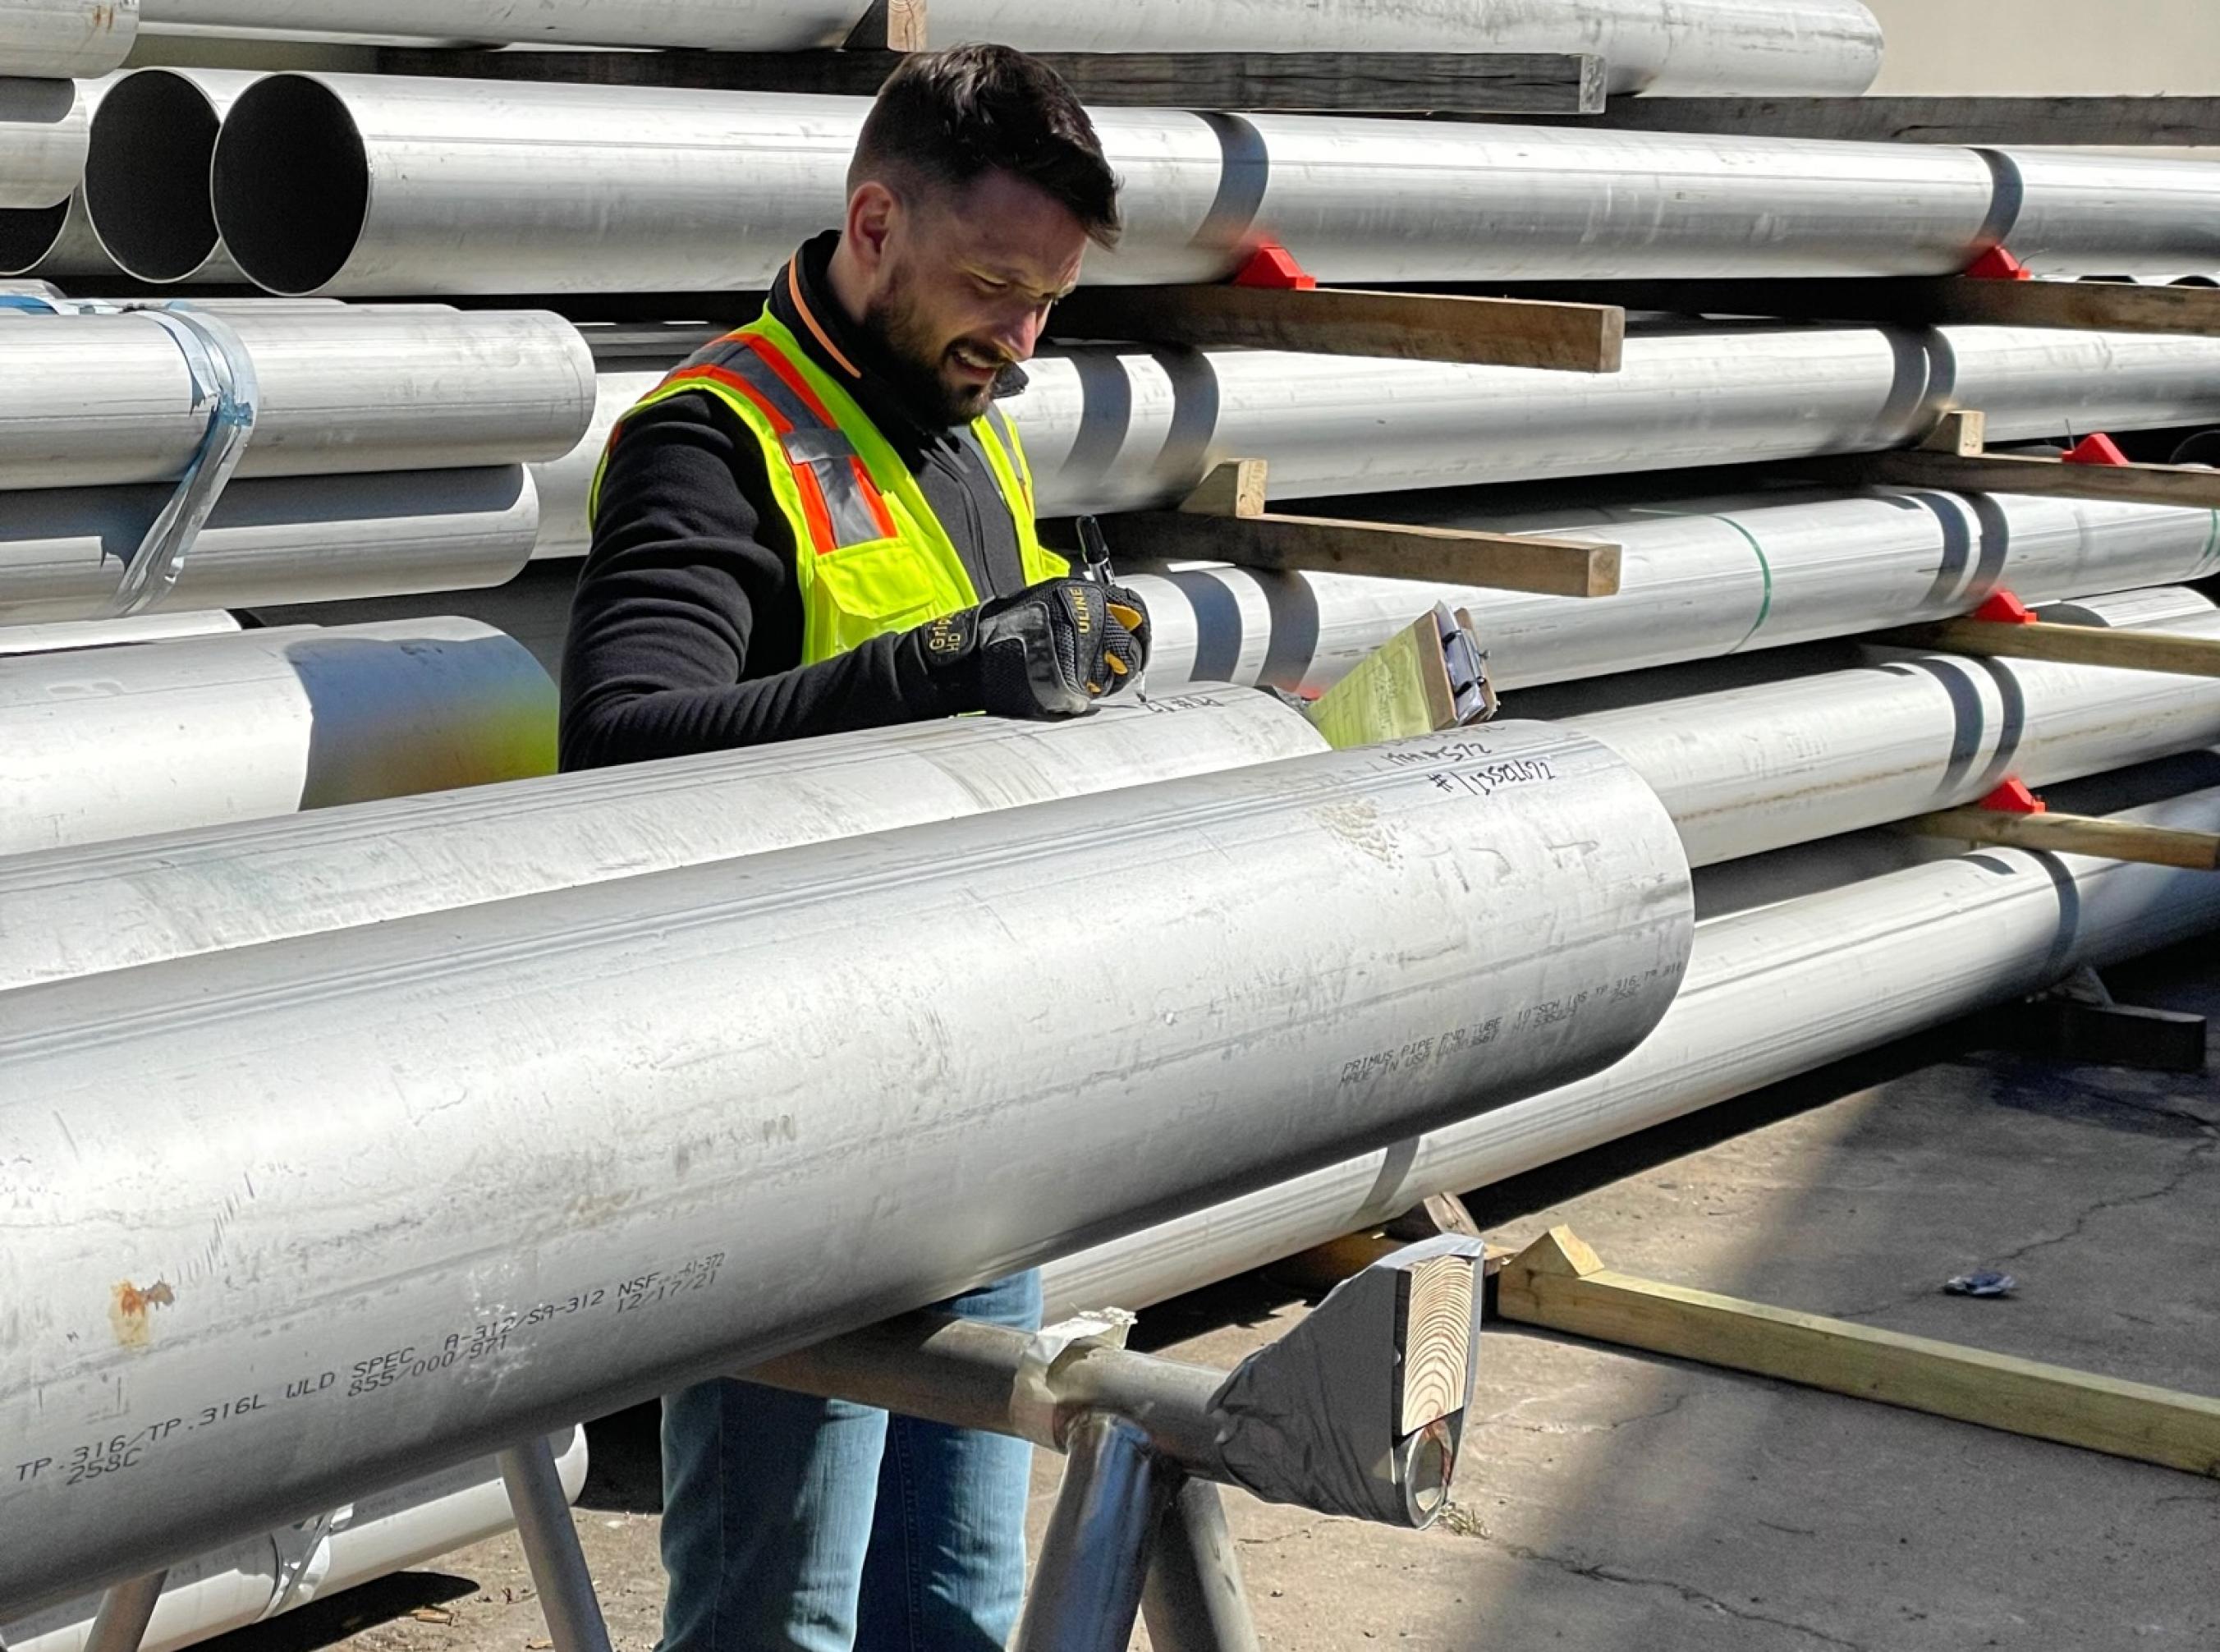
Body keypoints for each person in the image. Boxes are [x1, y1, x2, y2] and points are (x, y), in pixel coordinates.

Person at [558, 42, 1151, 1652]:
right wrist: (943, 671)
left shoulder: (972, 425)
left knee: (952, 1605)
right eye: (989, 290)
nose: (1018, 343)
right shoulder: (713, 439)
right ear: (872, 224)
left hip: (981, 1111)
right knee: (778, 1620)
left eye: (1046, 306)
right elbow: (616, 746)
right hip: (792, 1138)